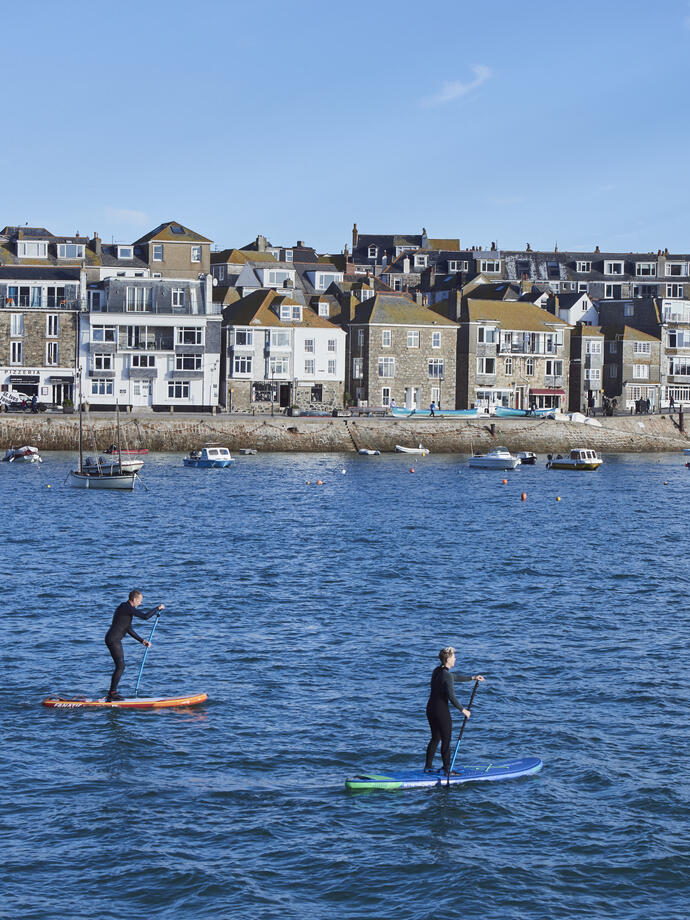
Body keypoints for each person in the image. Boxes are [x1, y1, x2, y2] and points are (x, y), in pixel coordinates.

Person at [424, 646, 485, 775]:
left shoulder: (437, 671)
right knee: (446, 740)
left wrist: (473, 678)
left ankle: (428, 767)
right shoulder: (447, 675)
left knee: (435, 738)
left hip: (430, 709)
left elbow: (454, 677)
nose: (455, 659)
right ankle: (447, 770)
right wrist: (463, 710)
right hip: (441, 711)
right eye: (453, 657)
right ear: (448, 659)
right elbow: (451, 696)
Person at [104, 590, 164, 701]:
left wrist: (142, 641)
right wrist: (157, 608)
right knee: (121, 666)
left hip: (113, 639)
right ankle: (112, 694)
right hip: (113, 639)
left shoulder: (125, 608)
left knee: (120, 666)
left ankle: (111, 693)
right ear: (135, 599)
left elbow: (128, 628)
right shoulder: (127, 608)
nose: (140, 604)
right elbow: (145, 617)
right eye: (140, 601)